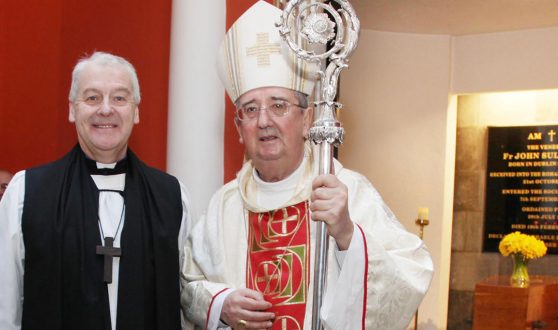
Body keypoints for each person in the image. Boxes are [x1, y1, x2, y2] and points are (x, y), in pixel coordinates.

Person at [180, 2, 433, 329]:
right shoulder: (223, 207)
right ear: (238, 128)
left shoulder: (346, 192)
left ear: (307, 120)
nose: (264, 121)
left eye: (279, 105)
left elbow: (412, 273)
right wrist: (220, 304)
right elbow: (186, 283)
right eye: (251, 109)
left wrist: (346, 234)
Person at [0, 51, 191, 330]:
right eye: (92, 97)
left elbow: (183, 303)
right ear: (72, 109)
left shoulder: (172, 197)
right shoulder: (26, 193)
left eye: (119, 98)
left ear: (136, 111)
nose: (105, 109)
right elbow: (5, 305)